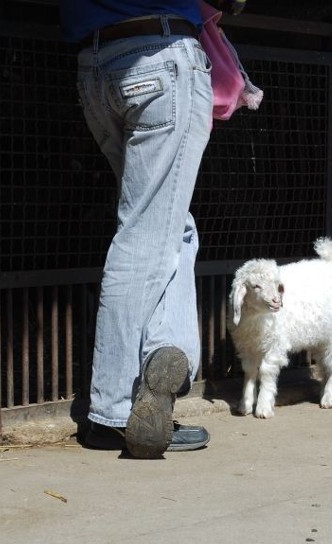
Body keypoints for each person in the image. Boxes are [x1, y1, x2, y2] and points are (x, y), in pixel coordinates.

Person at [61, 0, 215, 458]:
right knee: (146, 234)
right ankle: (113, 414)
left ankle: (160, 371)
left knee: (173, 224)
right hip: (160, 56)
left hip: (97, 67)